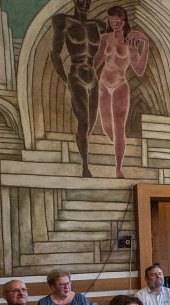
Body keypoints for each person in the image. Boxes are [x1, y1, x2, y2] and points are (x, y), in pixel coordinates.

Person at [50, 0, 106, 178]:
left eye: (89, 0)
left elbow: (109, 50)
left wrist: (99, 71)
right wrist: (65, 79)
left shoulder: (98, 26)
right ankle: (85, 166)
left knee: (90, 122)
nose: (85, 3)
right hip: (76, 76)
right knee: (84, 121)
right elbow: (55, 53)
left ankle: (80, 145)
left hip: (93, 78)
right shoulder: (63, 21)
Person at [93, 6, 150, 178]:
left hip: (120, 85)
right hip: (103, 83)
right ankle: (119, 146)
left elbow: (139, 70)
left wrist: (146, 43)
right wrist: (85, 74)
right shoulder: (105, 38)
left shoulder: (130, 42)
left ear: (124, 20)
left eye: (117, 19)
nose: (114, 22)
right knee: (106, 125)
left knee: (119, 127)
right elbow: (96, 62)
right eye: (111, 19)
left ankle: (118, 168)